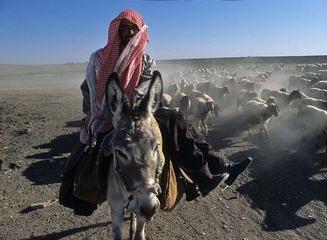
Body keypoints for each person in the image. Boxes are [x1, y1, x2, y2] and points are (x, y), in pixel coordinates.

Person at [60, 9, 252, 215]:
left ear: (140, 32)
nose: (129, 32)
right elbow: (87, 87)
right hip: (106, 113)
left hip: (140, 110)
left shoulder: (146, 60)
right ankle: (82, 198)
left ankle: (213, 171)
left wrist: (136, 110)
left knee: (178, 122)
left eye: (134, 28)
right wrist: (92, 112)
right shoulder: (98, 58)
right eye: (124, 28)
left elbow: (146, 87)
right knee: (85, 153)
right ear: (117, 30)